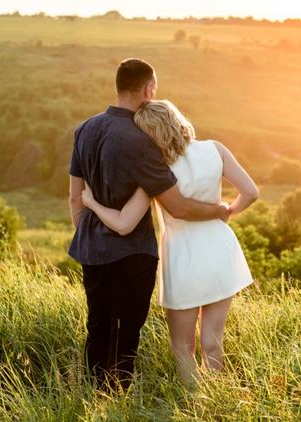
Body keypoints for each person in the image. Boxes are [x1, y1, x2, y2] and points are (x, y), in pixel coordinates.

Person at [67, 58, 229, 392]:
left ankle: (94, 397)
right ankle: (118, 398)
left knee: (97, 325)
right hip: (132, 253)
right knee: (127, 331)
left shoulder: (84, 129)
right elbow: (177, 205)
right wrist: (220, 209)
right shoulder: (142, 139)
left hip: (91, 249)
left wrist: (88, 236)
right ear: (149, 89)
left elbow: (75, 196)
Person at [81, 99, 259, 386]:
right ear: (178, 119)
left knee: (183, 348)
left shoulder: (155, 169)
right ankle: (215, 404)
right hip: (220, 251)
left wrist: (91, 202)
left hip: (183, 259)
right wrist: (226, 212)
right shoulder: (215, 149)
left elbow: (124, 223)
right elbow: (251, 192)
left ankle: (194, 404)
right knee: (213, 342)